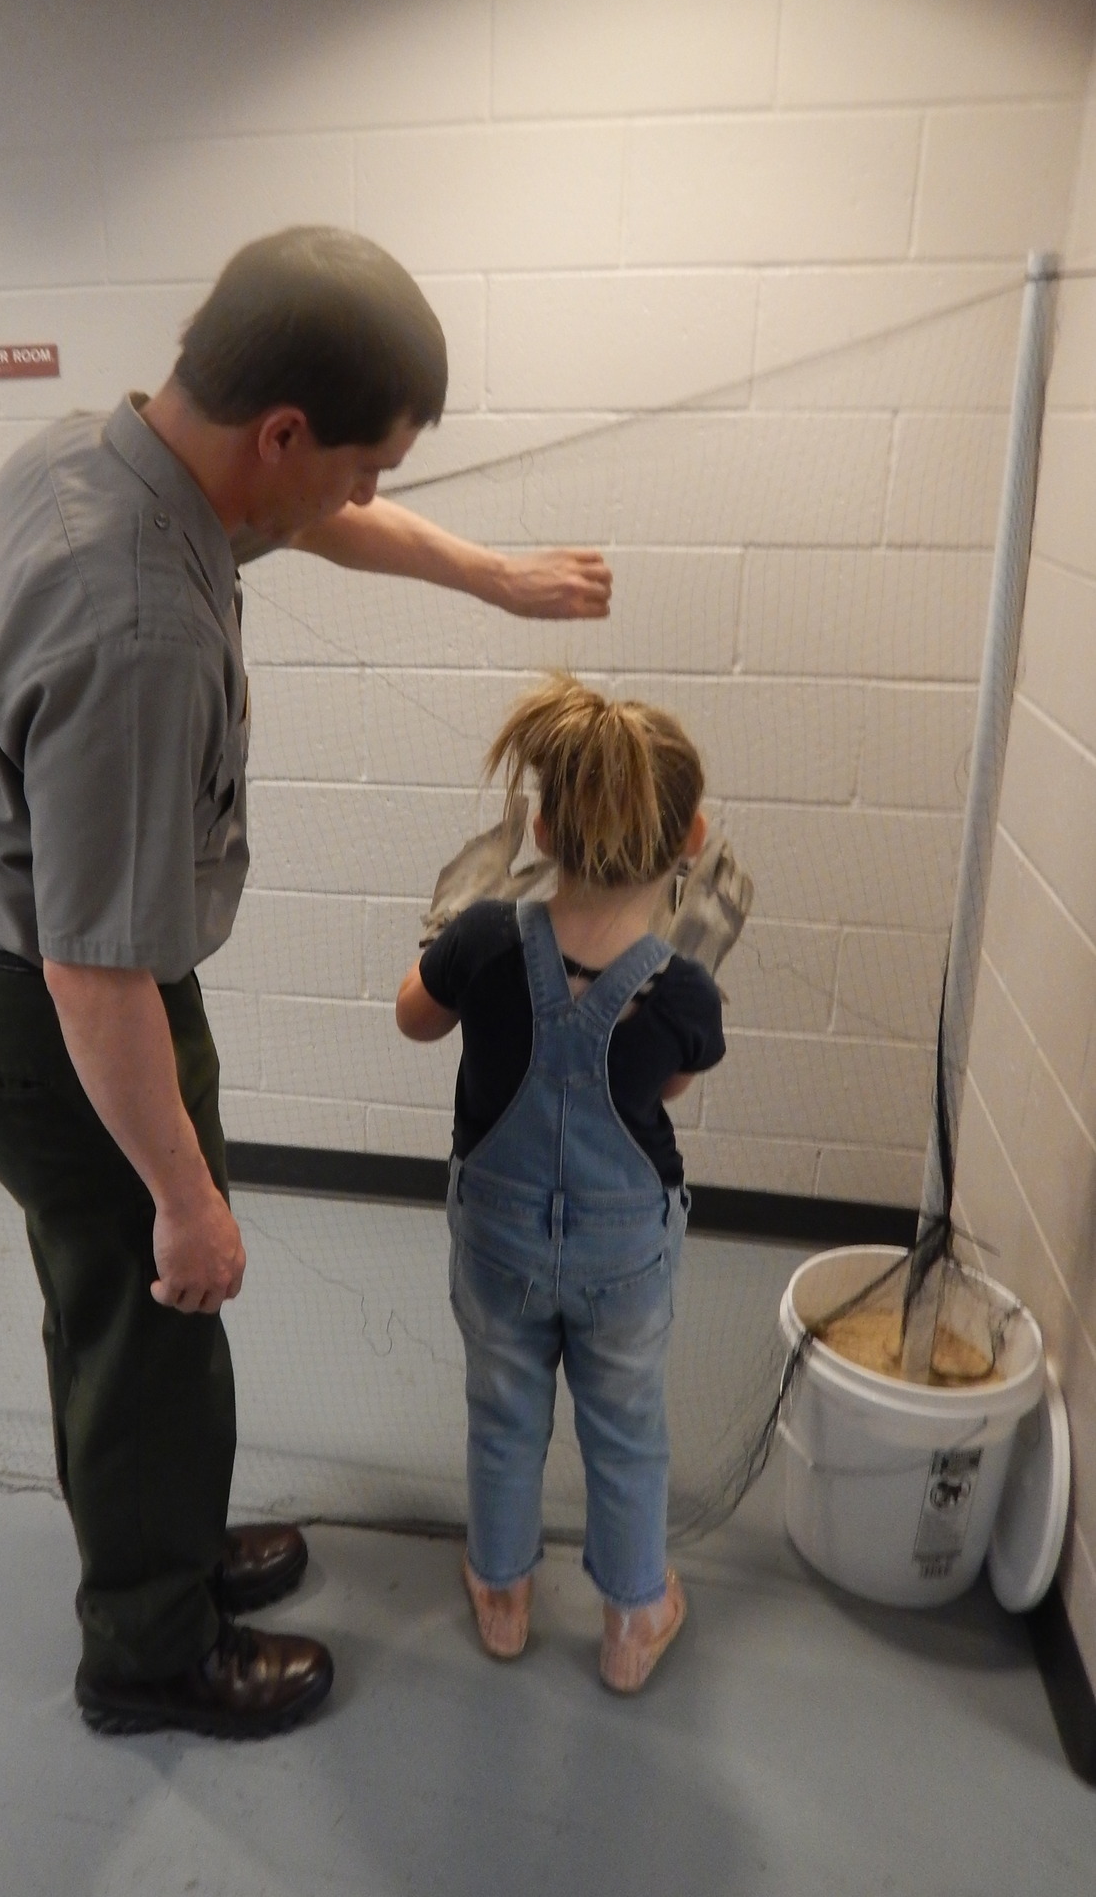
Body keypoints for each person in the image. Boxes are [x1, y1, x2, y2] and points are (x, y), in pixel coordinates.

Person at [0, 227, 613, 1740]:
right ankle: (149, 1656)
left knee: (131, 1322)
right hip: (66, 1016)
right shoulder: (137, 620)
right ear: (280, 432)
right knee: (153, 1315)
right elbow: (97, 973)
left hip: (38, 982)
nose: (363, 500)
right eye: (362, 467)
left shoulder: (100, 460)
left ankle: (166, 1549)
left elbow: (310, 522)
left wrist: (490, 576)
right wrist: (186, 1194)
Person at [395, 674, 724, 1693]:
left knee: (503, 1408)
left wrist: (444, 933)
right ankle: (634, 1620)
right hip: (623, 1251)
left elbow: (414, 1016)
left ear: (540, 824)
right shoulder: (682, 987)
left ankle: (502, 1596)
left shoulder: (486, 939)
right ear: (693, 836)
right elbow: (665, 1085)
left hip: (497, 1235)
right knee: (627, 1425)